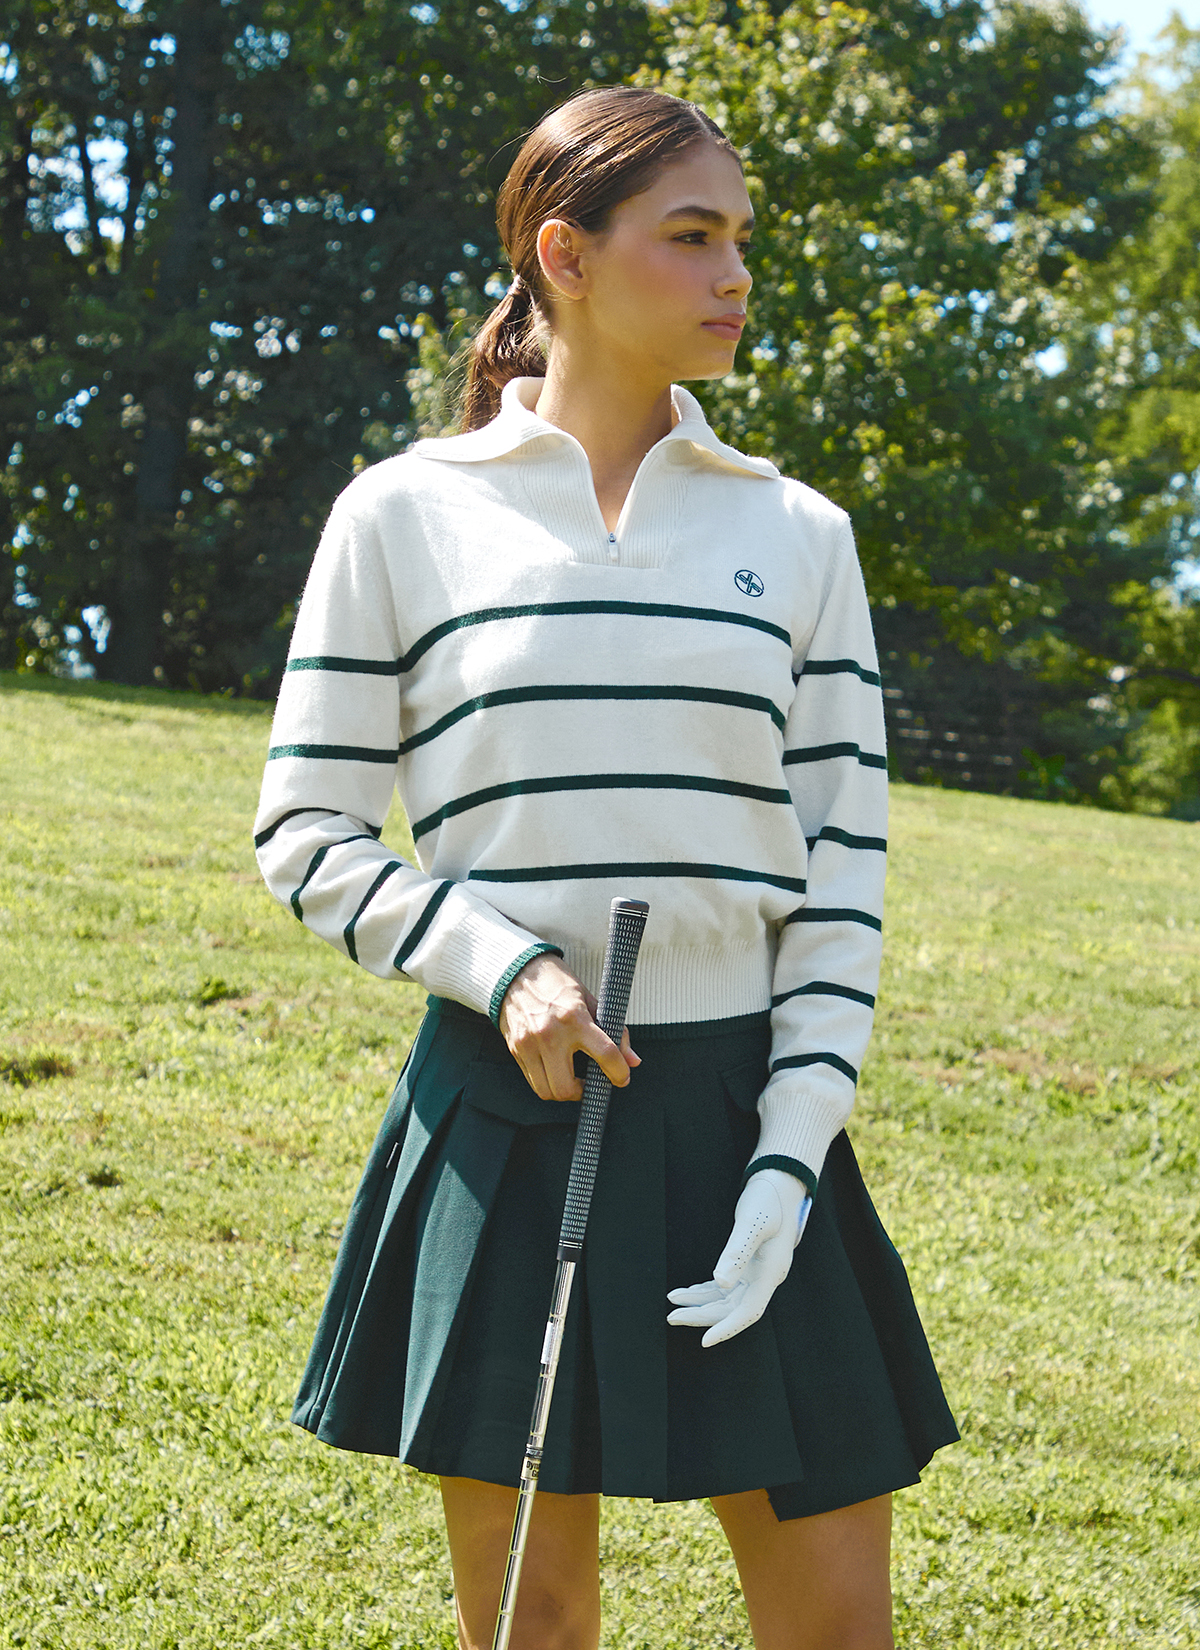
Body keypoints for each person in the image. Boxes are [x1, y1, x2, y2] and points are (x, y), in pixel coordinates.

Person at [254, 85, 958, 1650]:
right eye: (691, 235)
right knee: (540, 1626)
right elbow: (305, 829)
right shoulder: (401, 515)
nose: (736, 274)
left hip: (745, 1111)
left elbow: (842, 874)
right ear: (563, 256)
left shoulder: (803, 535)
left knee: (840, 1629)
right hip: (510, 1108)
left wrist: (791, 1151)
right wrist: (503, 965)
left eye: (742, 239)